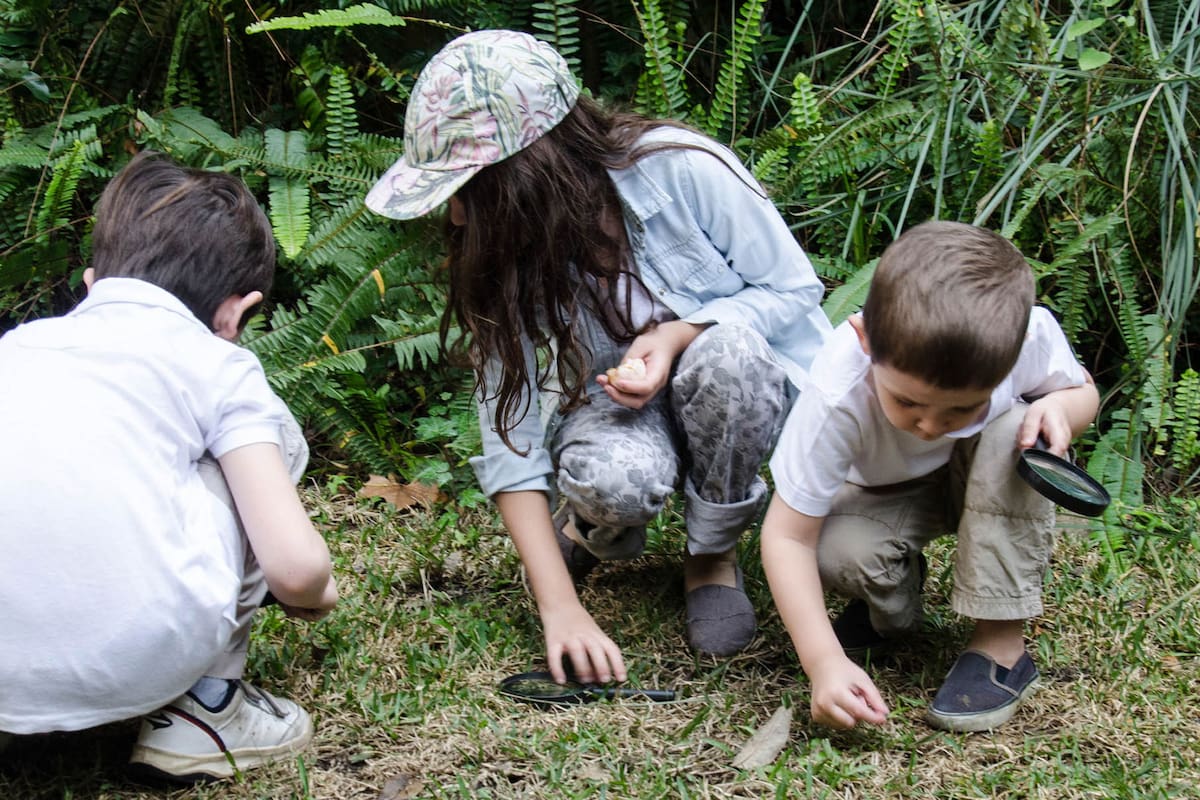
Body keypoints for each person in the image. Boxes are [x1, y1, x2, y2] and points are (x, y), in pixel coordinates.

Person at [365, 30, 831, 685]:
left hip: (731, 387)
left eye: (467, 189)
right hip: (618, 411)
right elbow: (509, 435)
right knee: (613, 480)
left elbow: (794, 288)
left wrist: (678, 335)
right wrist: (559, 607)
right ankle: (593, 526)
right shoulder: (511, 252)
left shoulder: (685, 170)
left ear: (529, 172)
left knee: (730, 352)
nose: (460, 218)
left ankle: (711, 556)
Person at [0, 152, 339, 782]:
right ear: (234, 314)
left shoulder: (17, 348)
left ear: (91, 283)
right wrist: (318, 593)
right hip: (134, 657)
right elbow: (296, 571)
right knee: (273, 436)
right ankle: (207, 710)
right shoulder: (219, 364)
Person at [761, 220, 1100, 732]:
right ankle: (893, 597)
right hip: (888, 491)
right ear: (865, 339)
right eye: (908, 402)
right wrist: (823, 662)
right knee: (839, 555)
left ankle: (1001, 644)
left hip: (987, 473)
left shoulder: (1026, 334)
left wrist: (1061, 408)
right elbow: (788, 536)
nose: (930, 426)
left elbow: (1082, 391)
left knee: (1015, 430)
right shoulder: (837, 392)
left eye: (961, 408)